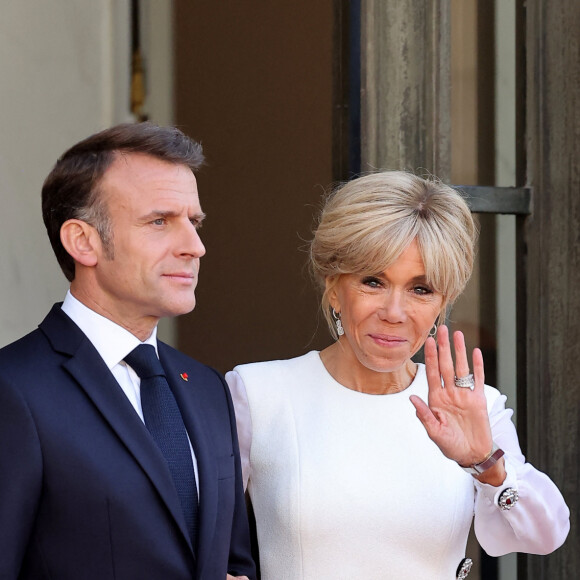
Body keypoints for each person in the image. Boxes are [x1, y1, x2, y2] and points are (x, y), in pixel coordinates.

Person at [226, 171, 570, 579]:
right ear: (334, 287)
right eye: (373, 282)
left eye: (420, 289)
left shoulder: (475, 406)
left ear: (443, 302)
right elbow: (191, 536)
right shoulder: (257, 394)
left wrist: (485, 463)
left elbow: (545, 536)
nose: (394, 312)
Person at [0, 123, 256, 580]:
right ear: (83, 241)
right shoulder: (12, 389)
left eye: (194, 223)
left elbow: (234, 564)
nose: (195, 247)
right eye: (160, 221)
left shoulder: (207, 387)